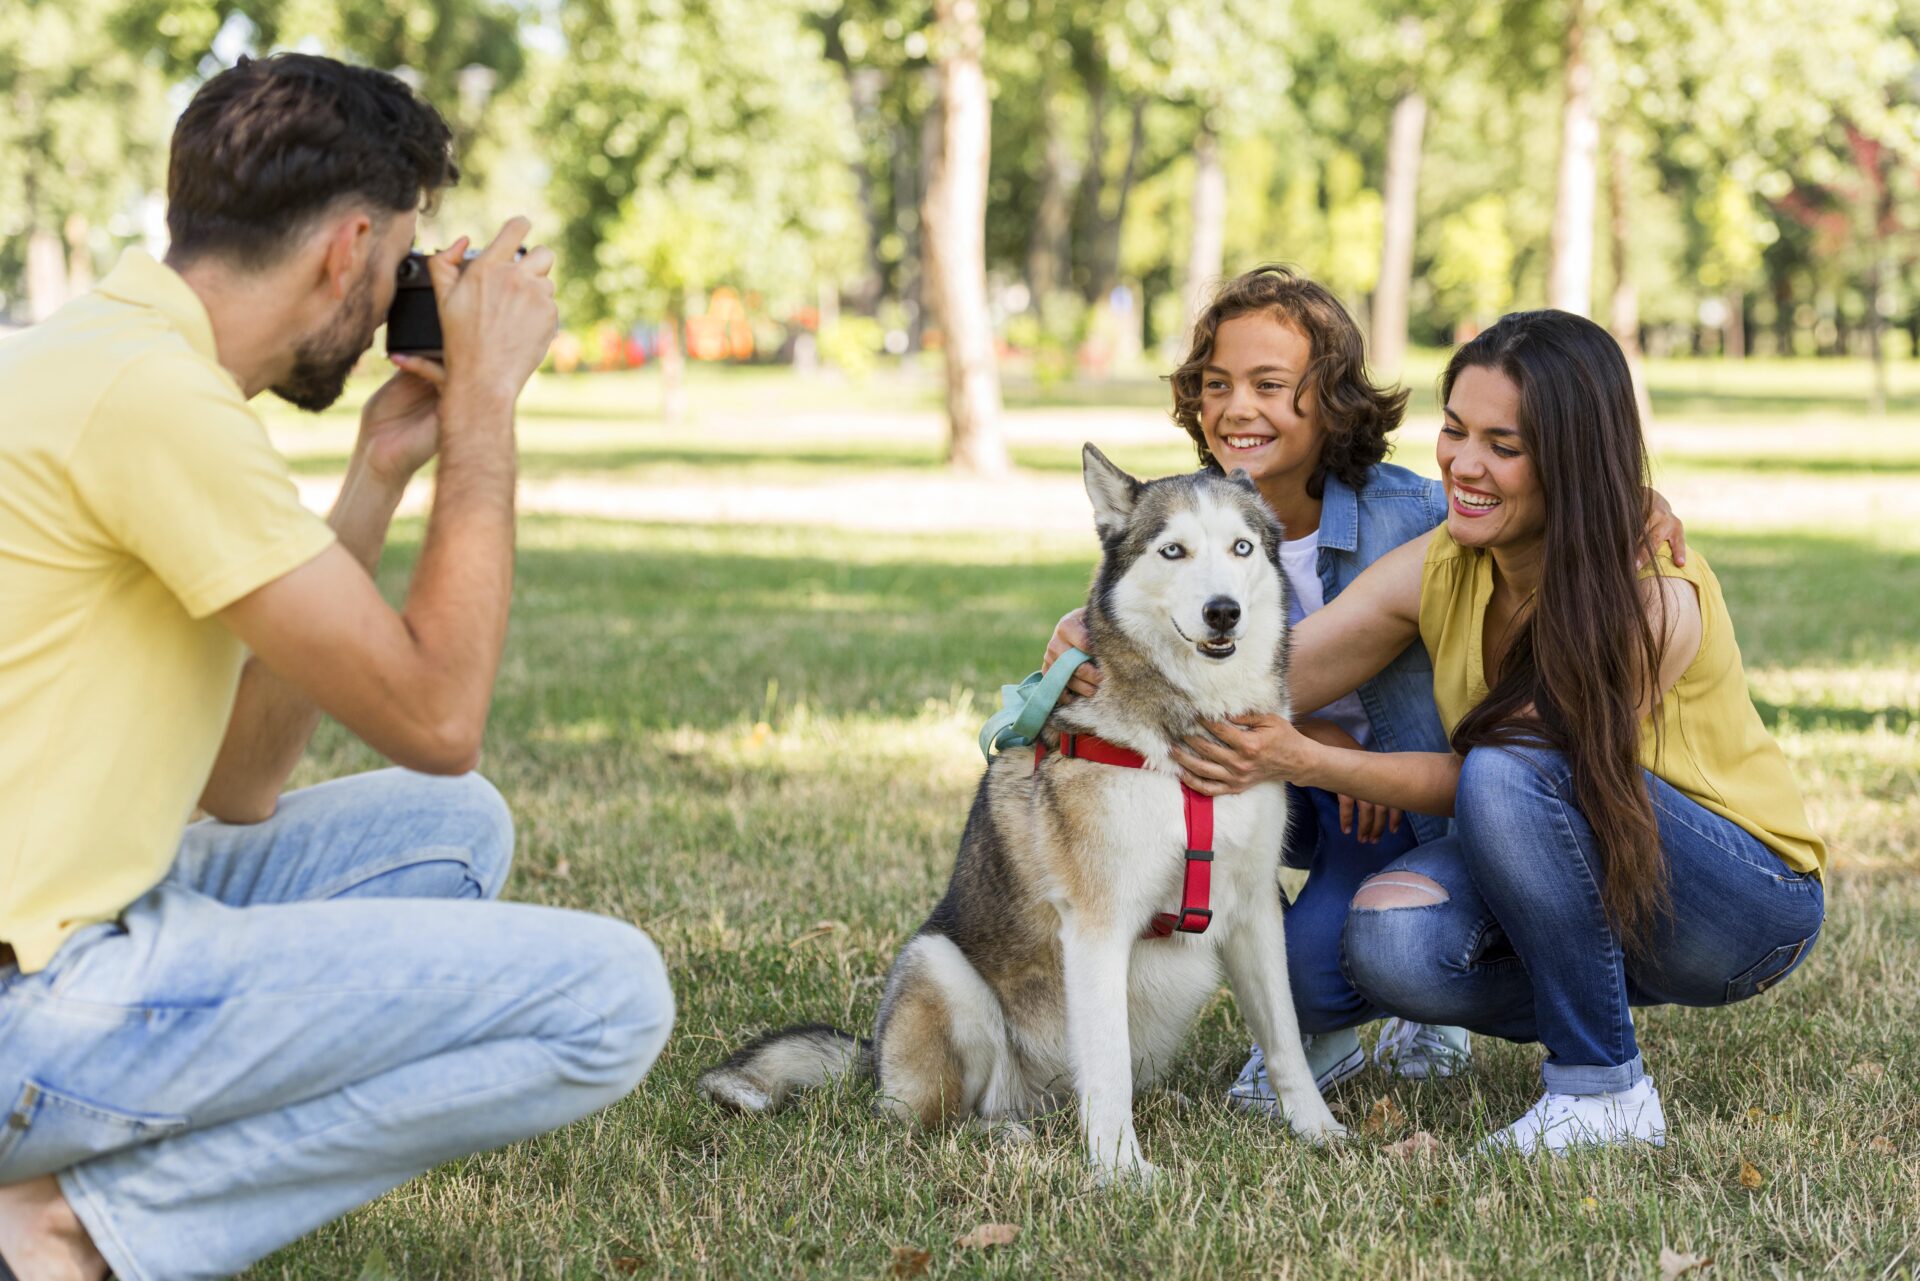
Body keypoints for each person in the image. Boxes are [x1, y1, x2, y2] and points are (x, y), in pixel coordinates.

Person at [0, 55, 672, 1280]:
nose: (388, 307)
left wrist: (379, 474)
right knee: (610, 999)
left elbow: (242, 783)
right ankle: (70, 1235)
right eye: (400, 266)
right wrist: (484, 420)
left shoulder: (117, 362)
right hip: (29, 1008)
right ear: (349, 247)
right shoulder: (157, 405)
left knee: (449, 830)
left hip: (61, 924)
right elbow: (438, 711)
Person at [1156, 309, 1826, 1152]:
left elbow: (1515, 776)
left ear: (1572, 461)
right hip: (1592, 876)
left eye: (1503, 447)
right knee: (1389, 938)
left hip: (1738, 900)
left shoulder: (1655, 596)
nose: (1464, 466)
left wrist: (1308, 758)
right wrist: (1099, 645)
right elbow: (1269, 672)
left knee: (1511, 764)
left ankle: (1602, 1089)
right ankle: (1580, 1009)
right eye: (1455, 431)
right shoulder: (1447, 562)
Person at [1047, 266, 1494, 1110]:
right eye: (1217, 385)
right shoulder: (1192, 518)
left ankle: (1428, 1003)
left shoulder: (1417, 518)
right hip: (1277, 781)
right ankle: (1324, 1019)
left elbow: (1533, 512)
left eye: (1269, 385)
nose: (1237, 408)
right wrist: (1082, 632)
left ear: (1329, 399)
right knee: (1277, 942)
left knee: (1323, 976)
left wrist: (1640, 504)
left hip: (1393, 801)